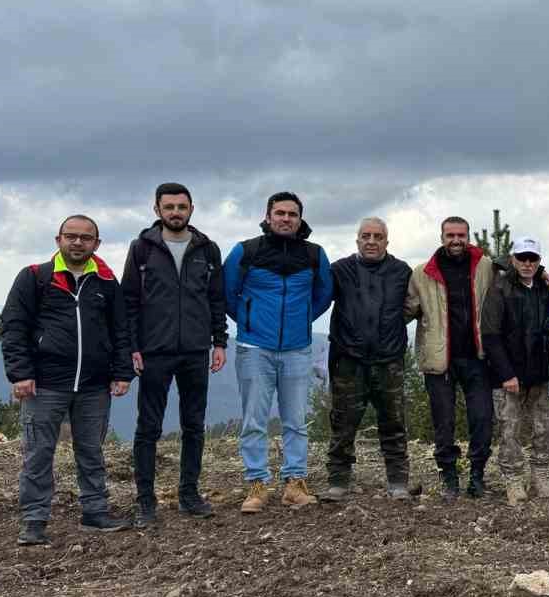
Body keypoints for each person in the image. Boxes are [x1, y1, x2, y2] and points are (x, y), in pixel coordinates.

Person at [2, 215, 134, 545]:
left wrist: (122, 372)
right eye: (71, 236)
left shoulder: (105, 282)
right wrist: (20, 373)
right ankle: (34, 520)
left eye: (86, 238)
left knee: (92, 451)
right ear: (58, 239)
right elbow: (14, 327)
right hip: (43, 384)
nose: (78, 242)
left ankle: (95, 512)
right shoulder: (35, 277)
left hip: (94, 385)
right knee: (38, 453)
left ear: (97, 244)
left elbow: (121, 330)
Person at [122, 182, 226, 523]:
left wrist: (220, 342)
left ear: (191, 209)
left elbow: (216, 300)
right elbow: (130, 302)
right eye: (169, 207)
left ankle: (189, 494)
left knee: (194, 426)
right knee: (147, 427)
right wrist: (133, 347)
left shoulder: (207, 249)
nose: (176, 212)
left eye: (182, 206)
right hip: (155, 351)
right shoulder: (142, 249)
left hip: (196, 350)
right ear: (157, 210)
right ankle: (146, 501)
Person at [224, 192, 332, 513]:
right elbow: (228, 293)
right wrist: (249, 320)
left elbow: (323, 295)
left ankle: (294, 483)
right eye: (280, 213)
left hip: (297, 349)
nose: (286, 219)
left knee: (296, 421)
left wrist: (300, 321)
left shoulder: (314, 254)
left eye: (292, 214)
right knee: (254, 420)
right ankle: (256, 485)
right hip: (254, 348)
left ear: (300, 219)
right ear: (268, 216)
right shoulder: (245, 251)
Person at [406, 216, 496, 501]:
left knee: (482, 419)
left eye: (461, 235)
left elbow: (514, 280)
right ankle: (449, 478)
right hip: (439, 358)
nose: (455, 240)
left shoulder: (485, 266)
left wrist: (542, 273)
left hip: (477, 358)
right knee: (443, 424)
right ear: (441, 236)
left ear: (468, 236)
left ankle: (477, 475)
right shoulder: (423, 273)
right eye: (450, 235)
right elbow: (407, 309)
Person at [323, 217, 412, 503]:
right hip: (349, 360)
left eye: (377, 236)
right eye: (366, 236)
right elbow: (310, 291)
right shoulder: (340, 270)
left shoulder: (402, 272)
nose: (371, 241)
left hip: (389, 362)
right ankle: (338, 482)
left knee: (394, 424)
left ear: (387, 241)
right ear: (357, 239)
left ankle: (398, 482)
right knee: (343, 424)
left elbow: (419, 301)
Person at [483, 237, 549, 506]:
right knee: (509, 429)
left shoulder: (545, 288)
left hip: (540, 372)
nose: (528, 263)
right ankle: (513, 480)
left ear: (539, 262)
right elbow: (490, 335)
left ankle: (540, 475)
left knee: (546, 427)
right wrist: (506, 374)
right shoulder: (499, 288)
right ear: (513, 259)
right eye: (522, 258)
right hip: (508, 375)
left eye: (533, 259)